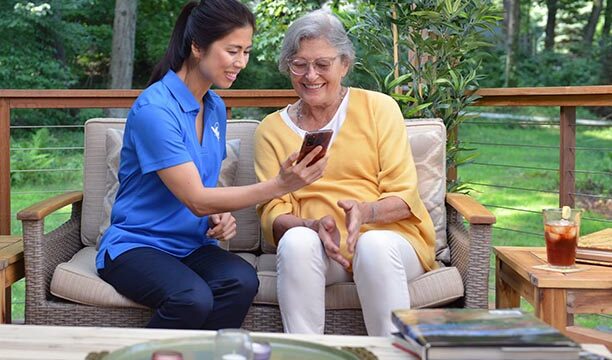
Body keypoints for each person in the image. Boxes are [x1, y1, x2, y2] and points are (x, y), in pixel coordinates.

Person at [96, 0, 327, 330]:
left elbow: (204, 188)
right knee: (191, 297)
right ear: (197, 47)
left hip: (190, 245)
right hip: (136, 246)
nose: (241, 62)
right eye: (232, 50)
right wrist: (280, 185)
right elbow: (196, 198)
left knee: (242, 279)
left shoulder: (215, 107)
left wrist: (219, 215)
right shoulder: (155, 110)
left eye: (246, 51)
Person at [254, 9, 437, 336]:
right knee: (297, 241)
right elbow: (272, 213)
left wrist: (365, 211)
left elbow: (405, 195)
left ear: (344, 64)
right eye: (300, 64)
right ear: (288, 67)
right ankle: (306, 355)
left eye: (322, 64)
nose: (311, 75)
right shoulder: (271, 130)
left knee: (374, 247)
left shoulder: (378, 108)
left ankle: (392, 356)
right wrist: (311, 225)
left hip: (391, 240)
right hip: (324, 250)